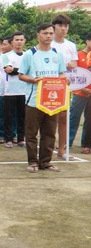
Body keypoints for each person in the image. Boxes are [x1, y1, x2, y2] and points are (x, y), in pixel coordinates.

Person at [19, 23, 67, 172]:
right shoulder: (30, 54)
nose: (48, 36)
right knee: (31, 132)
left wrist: (63, 79)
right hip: (34, 100)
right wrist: (33, 80)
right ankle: (33, 162)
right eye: (45, 33)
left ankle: (46, 162)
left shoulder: (57, 54)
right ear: (38, 35)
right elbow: (21, 75)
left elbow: (62, 73)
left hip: (53, 101)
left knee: (49, 132)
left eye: (51, 33)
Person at [51, 14, 77, 159]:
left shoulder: (71, 45)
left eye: (66, 26)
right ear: (54, 26)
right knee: (49, 118)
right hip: (49, 85)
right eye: (60, 25)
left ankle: (61, 149)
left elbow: (74, 63)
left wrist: (69, 65)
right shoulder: (49, 44)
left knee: (63, 118)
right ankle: (47, 148)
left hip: (65, 86)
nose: (63, 28)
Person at [1, 32, 27, 148]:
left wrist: (17, 70)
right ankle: (8, 139)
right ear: (11, 42)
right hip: (10, 90)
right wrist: (22, 71)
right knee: (9, 116)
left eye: (21, 39)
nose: (19, 42)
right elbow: (9, 70)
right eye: (16, 40)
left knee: (23, 116)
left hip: (24, 91)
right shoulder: (6, 56)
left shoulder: (27, 56)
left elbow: (30, 71)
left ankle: (21, 138)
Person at [69, 32, 91, 153]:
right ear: (87, 41)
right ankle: (67, 141)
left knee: (89, 120)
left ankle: (86, 144)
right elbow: (74, 75)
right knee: (74, 117)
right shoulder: (77, 55)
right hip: (79, 92)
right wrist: (82, 88)